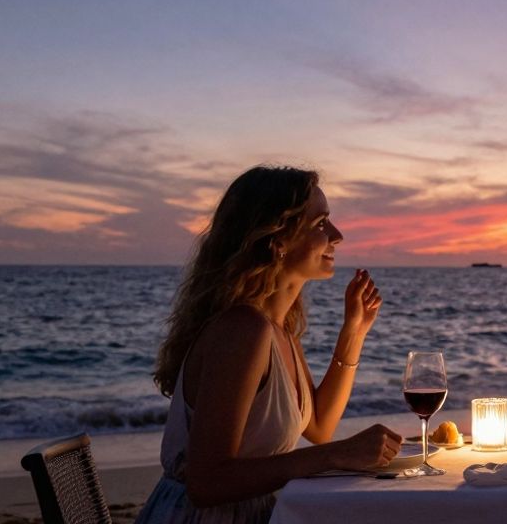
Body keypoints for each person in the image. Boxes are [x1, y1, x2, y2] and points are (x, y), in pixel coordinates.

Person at [136, 165, 402, 524]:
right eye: (320, 223)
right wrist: (336, 455)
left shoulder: (279, 329)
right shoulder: (243, 330)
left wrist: (353, 332)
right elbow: (206, 482)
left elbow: (320, 426)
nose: (337, 235)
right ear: (277, 240)